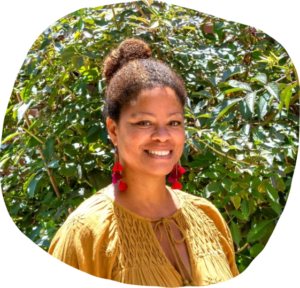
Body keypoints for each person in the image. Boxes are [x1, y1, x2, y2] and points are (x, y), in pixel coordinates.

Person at [48, 38, 240, 287]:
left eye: (174, 122)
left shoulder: (208, 217)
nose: (162, 135)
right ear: (113, 130)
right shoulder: (87, 232)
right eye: (144, 123)